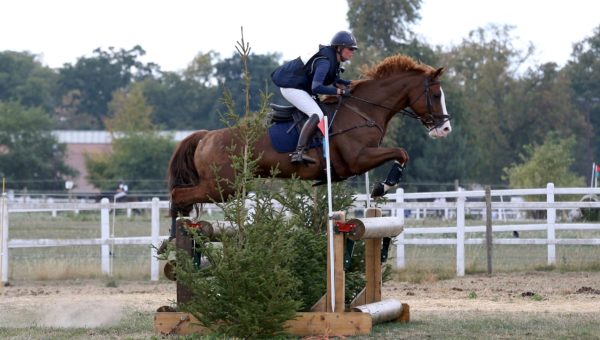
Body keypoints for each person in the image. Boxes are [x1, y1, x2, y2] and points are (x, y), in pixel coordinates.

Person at [271, 30, 358, 164]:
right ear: (339, 48)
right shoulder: (325, 62)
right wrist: (339, 92)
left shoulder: (333, 60)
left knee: (321, 111)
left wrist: (350, 84)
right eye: (350, 49)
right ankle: (299, 152)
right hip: (291, 86)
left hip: (299, 86)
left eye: (354, 49)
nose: (352, 52)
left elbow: (334, 80)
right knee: (317, 113)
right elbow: (316, 87)